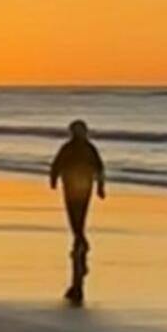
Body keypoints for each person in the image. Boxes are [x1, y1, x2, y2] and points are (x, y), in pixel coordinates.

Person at [48, 119, 105, 302]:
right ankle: (79, 242)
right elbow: (57, 164)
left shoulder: (84, 148)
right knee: (76, 218)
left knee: (76, 218)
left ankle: (81, 242)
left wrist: (100, 187)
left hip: (78, 186)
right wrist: (54, 179)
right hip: (76, 185)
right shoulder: (83, 147)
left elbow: (99, 167)